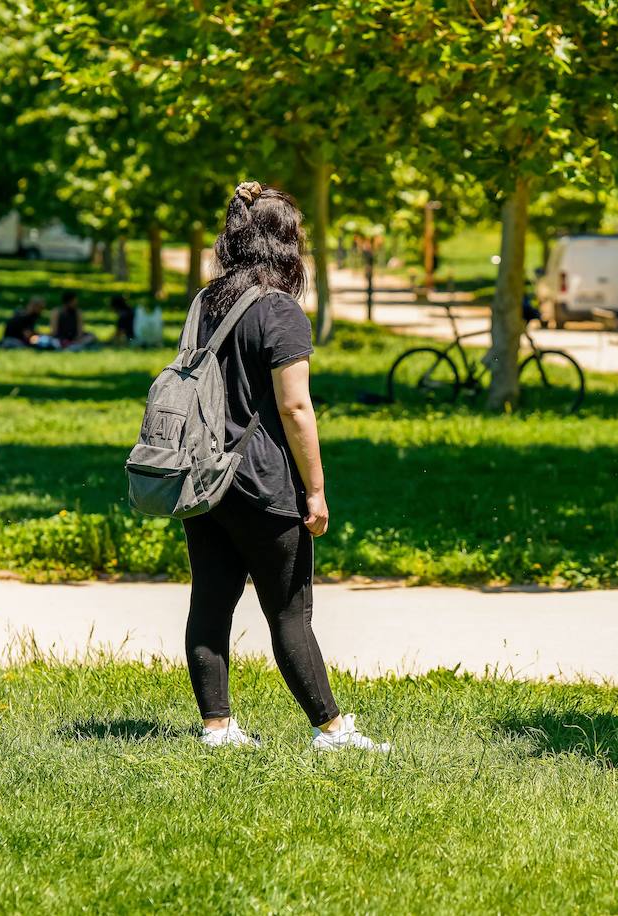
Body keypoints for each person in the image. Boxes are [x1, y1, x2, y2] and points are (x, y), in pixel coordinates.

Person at [183, 180, 389, 753]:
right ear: (285, 244)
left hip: (205, 478)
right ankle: (330, 730)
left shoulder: (205, 303)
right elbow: (295, 407)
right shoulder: (280, 311)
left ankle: (217, 729)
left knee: (210, 601)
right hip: (264, 483)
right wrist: (316, 491)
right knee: (290, 613)